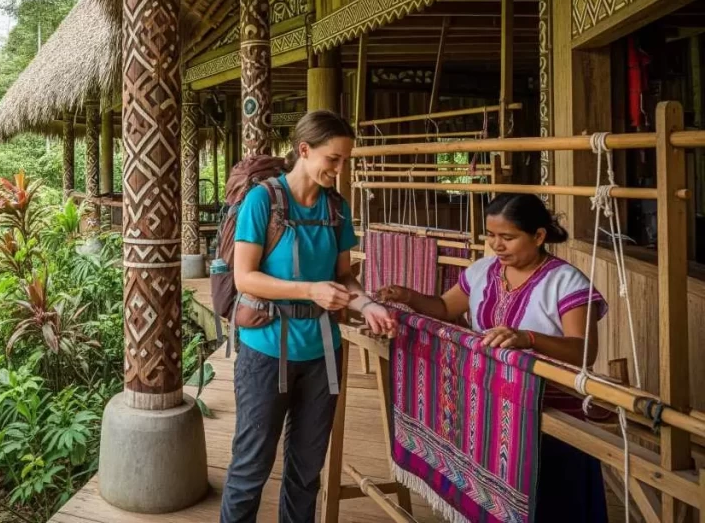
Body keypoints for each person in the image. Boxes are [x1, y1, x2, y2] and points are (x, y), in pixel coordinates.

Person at [375, 192, 609, 523]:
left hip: (551, 409)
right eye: (491, 235)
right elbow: (444, 308)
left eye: (508, 237)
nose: (497, 245)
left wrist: (527, 338)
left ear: (539, 236)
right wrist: (408, 296)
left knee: (555, 503)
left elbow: (582, 350)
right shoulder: (484, 270)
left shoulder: (565, 282)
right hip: (495, 409)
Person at [219, 110, 398, 523]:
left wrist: (366, 304)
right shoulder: (263, 199)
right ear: (304, 150)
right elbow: (246, 278)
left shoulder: (336, 208)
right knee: (251, 466)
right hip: (266, 350)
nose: (340, 169)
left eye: (345, 160)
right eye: (333, 159)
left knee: (306, 470)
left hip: (323, 354)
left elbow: (343, 278)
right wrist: (309, 290)